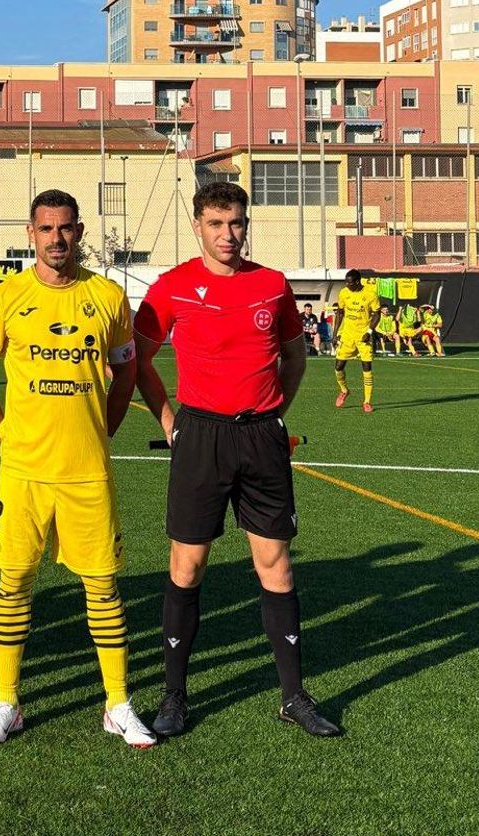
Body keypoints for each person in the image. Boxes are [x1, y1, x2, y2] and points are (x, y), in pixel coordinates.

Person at [133, 181, 341, 740]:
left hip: (262, 437)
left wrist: (274, 416)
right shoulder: (172, 287)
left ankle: (294, 696)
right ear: (198, 225)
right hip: (201, 436)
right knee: (188, 566)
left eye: (237, 224)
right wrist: (170, 420)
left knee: (276, 565)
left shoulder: (271, 285)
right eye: (218, 224)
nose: (229, 235)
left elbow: (294, 360)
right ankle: (174, 696)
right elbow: (139, 362)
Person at [0, 189, 153, 749]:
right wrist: (6, 436)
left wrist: (104, 431)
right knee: (14, 581)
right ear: (31, 233)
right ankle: (7, 701)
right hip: (24, 471)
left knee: (103, 586)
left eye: (66, 228)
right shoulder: (5, 298)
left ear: (79, 232)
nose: (56, 239)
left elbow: (127, 372)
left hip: (87, 470)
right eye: (45, 229)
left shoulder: (107, 296)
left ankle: (117, 703)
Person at [331, 270, 381, 413]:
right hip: (347, 336)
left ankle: (366, 402)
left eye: (350, 282)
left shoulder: (370, 294)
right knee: (338, 366)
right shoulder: (344, 293)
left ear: (358, 282)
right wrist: (335, 334)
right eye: (346, 282)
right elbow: (340, 313)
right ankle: (344, 390)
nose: (347, 285)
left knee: (366, 367)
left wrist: (369, 331)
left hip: (363, 337)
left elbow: (377, 314)